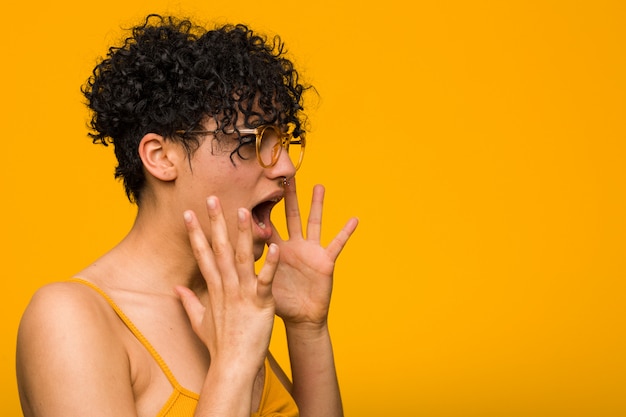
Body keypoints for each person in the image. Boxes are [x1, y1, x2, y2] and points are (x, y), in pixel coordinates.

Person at [16, 14, 358, 417]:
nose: (285, 167)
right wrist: (231, 364)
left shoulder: (232, 307)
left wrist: (307, 329)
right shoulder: (68, 319)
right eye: (253, 141)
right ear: (161, 157)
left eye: (282, 141)